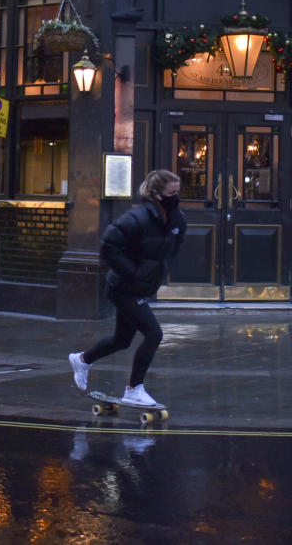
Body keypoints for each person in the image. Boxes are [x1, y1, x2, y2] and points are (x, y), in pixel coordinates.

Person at [68, 169, 186, 406]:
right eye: (171, 192)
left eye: (177, 192)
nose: (176, 196)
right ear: (156, 193)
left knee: (121, 340)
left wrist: (155, 274)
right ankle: (134, 389)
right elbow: (107, 246)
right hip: (123, 288)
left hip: (140, 287)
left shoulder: (176, 220)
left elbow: (172, 249)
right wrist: (133, 273)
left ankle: (82, 360)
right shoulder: (137, 217)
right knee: (154, 334)